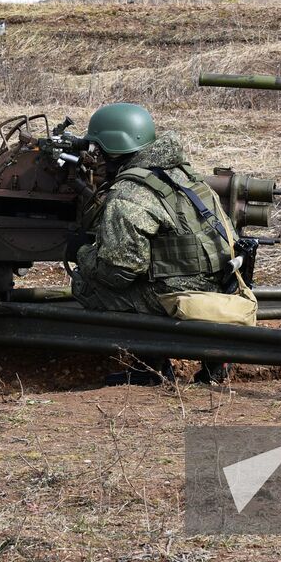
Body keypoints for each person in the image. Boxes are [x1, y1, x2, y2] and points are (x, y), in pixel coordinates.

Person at [70, 103, 238, 382]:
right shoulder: (183, 173)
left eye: (98, 150)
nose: (95, 158)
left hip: (183, 293)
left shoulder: (130, 193)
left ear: (115, 148)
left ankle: (148, 368)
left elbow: (118, 273)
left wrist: (82, 253)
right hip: (220, 284)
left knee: (87, 284)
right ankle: (215, 365)